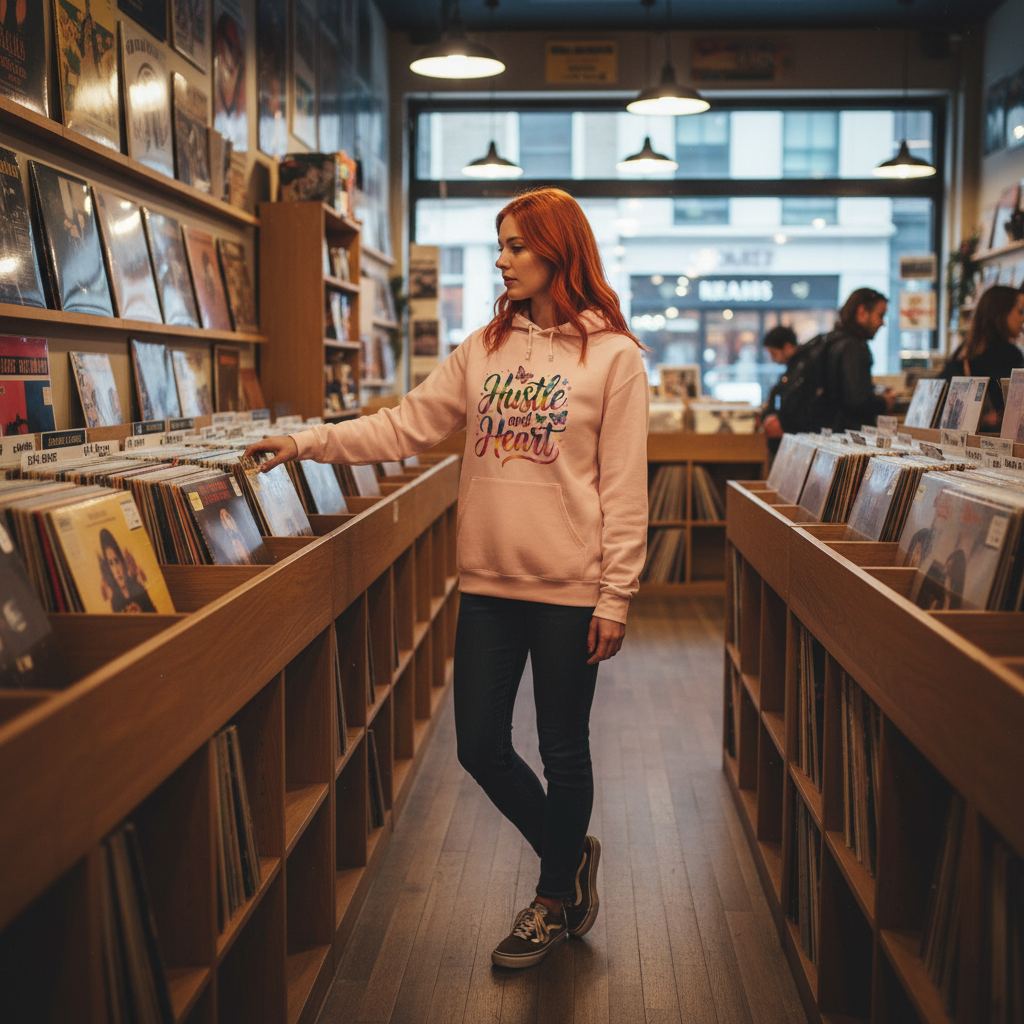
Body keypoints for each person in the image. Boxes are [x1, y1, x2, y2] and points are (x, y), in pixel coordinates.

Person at [244, 187, 649, 970]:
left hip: (571, 590)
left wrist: (617, 593)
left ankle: (552, 899)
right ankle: (570, 855)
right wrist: (308, 442)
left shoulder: (615, 358)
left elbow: (625, 487)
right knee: (481, 748)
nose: (501, 260)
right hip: (489, 586)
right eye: (500, 244)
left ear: (560, 251)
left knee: (564, 751)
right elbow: (404, 424)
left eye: (516, 246)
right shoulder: (485, 348)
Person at [938, 284, 1024, 431]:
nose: (1023, 319)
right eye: (1020, 312)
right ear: (1001, 314)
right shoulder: (1008, 353)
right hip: (995, 440)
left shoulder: (964, 350)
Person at [824, 287, 895, 432]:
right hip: (847, 433)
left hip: (831, 431)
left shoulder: (833, 340)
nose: (883, 323)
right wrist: (884, 402)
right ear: (862, 312)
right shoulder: (853, 347)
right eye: (880, 315)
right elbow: (857, 401)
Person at [759, 325, 799, 449]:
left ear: (787, 347)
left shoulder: (800, 370)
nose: (772, 359)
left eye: (774, 353)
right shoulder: (793, 369)